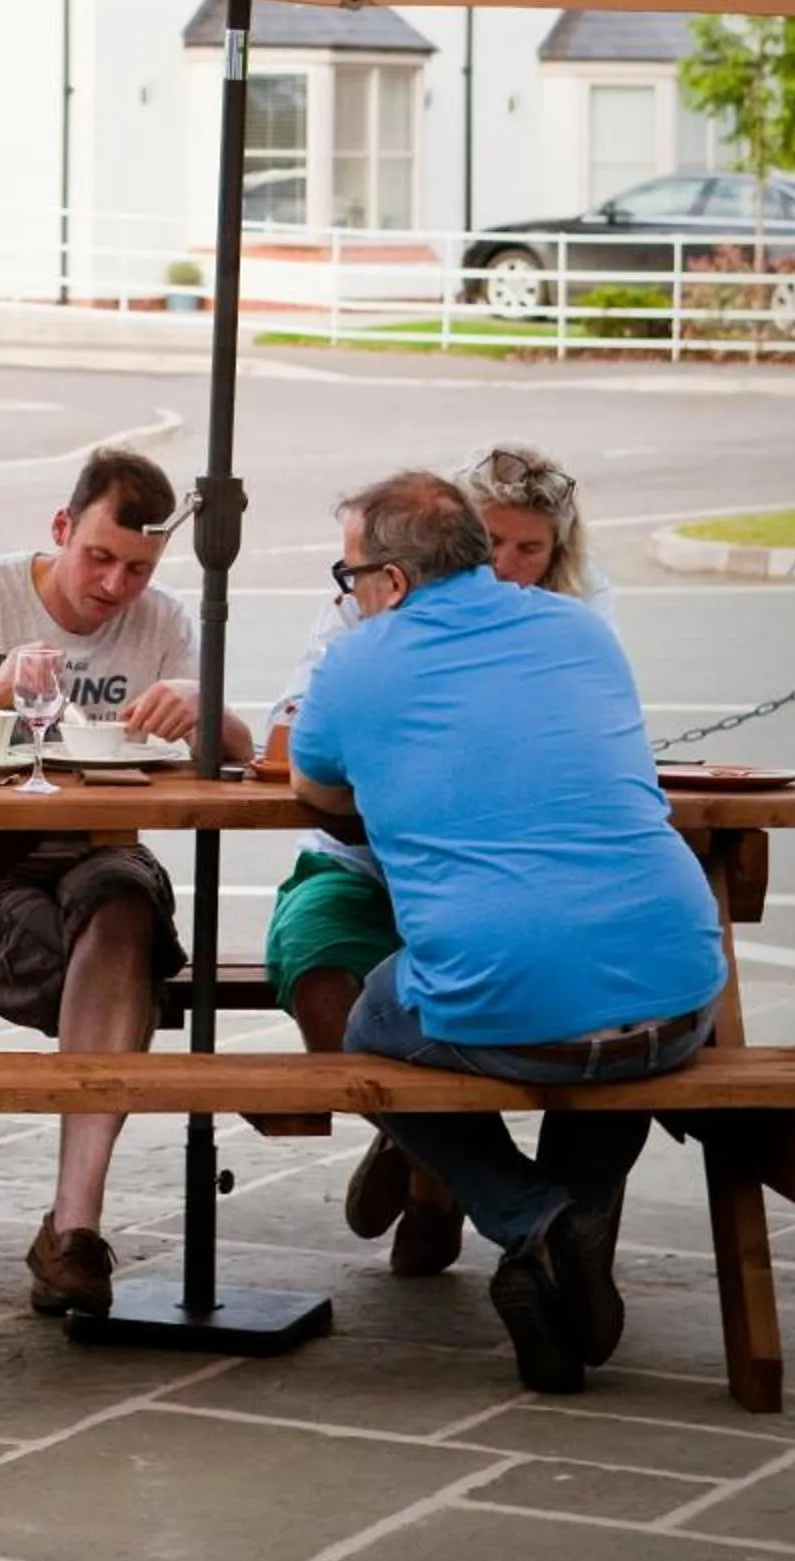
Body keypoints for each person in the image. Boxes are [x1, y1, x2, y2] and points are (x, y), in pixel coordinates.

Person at [289, 470, 725, 1394]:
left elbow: (317, 793)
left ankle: (531, 1217)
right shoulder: (579, 630)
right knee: (613, 1016)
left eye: (352, 572)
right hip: (684, 995)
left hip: (509, 1004)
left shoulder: (358, 661)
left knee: (373, 1028)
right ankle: (577, 1238)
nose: (350, 591)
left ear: (394, 582)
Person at [0, 445, 253, 1319]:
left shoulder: (169, 623)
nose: (115, 586)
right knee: (105, 965)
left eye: (139, 569)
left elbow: (246, 755)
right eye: (99, 557)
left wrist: (206, 710)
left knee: (122, 909)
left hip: (97, 845)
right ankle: (77, 1201)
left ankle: (75, 1228)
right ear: (63, 528)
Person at [260, 439, 610, 1279]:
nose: (505, 567)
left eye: (530, 550)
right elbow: (289, 727)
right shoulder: (568, 634)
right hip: (657, 972)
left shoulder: (566, 621)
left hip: (492, 902)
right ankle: (434, 1160)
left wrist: (389, 764)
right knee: (322, 965)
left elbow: (315, 772)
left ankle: (489, 1195)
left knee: (398, 1013)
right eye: (491, 546)